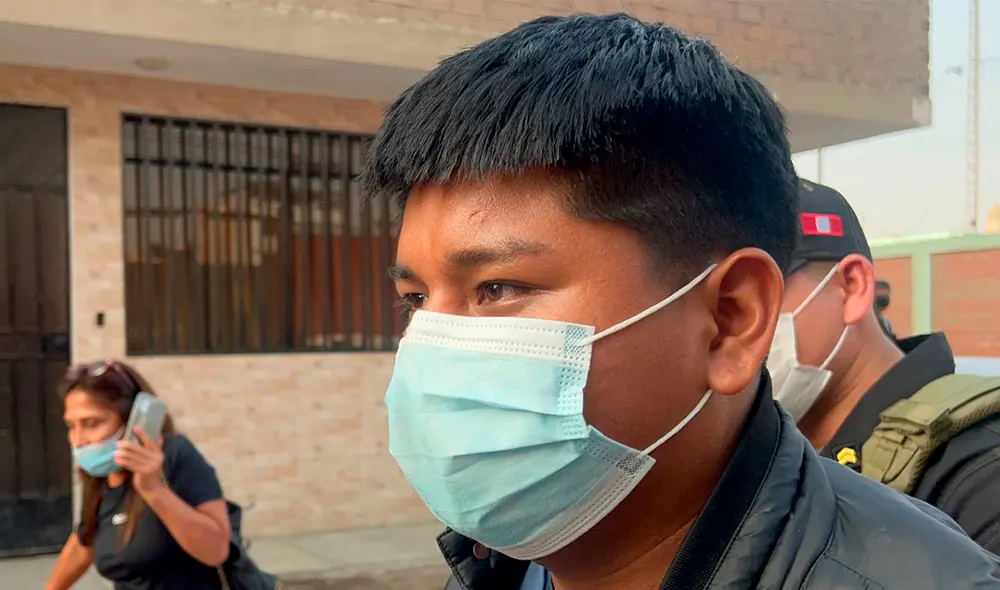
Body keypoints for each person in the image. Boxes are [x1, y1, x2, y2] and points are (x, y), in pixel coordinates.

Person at [361, 12, 1000, 590]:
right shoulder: (500, 564)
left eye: (497, 289)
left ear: (730, 321)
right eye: (415, 298)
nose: (432, 350)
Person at [772, 178, 1000, 553]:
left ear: (852, 287)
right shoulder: (774, 450)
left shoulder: (977, 473)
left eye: (763, 295)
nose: (735, 329)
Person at [46, 360, 231, 590]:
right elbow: (85, 542)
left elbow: (216, 551)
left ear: (134, 421)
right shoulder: (102, 475)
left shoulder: (175, 456)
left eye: (92, 424)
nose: (79, 440)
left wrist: (154, 490)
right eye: (71, 426)